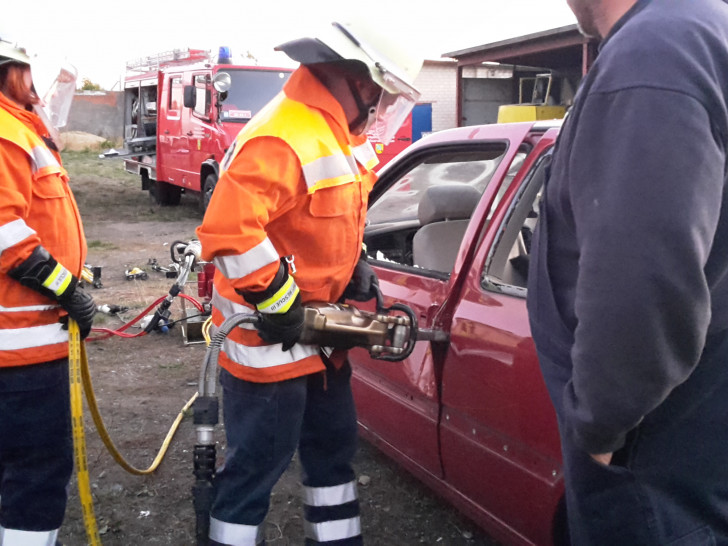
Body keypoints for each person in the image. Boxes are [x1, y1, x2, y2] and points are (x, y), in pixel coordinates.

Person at [196, 21, 422, 546]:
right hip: (267, 346)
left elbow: (329, 220)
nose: (384, 107)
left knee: (332, 461)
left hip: (323, 345)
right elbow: (229, 233)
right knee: (254, 471)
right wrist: (281, 305)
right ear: (364, 83)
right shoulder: (283, 135)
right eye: (384, 95)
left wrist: (357, 262)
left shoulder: (340, 135)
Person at [526, 0, 728, 544]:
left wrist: (596, 434)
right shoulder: (698, 33)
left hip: (651, 468)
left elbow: (640, 285)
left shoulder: (653, 54)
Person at [0, 40, 96, 544]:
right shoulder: (6, 135)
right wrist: (68, 289)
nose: (46, 90)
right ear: (16, 74)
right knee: (36, 474)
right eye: (40, 76)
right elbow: (5, 233)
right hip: (19, 348)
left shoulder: (18, 130)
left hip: (25, 339)